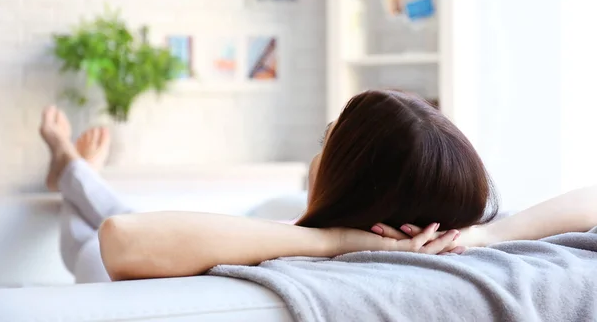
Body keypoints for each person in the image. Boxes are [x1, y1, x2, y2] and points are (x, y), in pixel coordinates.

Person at [40, 90, 597, 283]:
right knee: (107, 202)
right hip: (172, 236)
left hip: (102, 267)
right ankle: (73, 172)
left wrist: (333, 240)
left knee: (82, 232)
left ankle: (68, 164)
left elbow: (118, 238)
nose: (321, 141)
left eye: (330, 137)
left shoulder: (315, 247)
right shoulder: (441, 241)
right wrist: (481, 235)